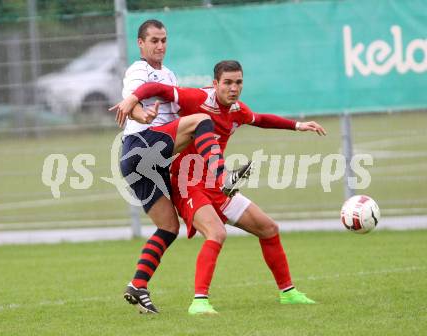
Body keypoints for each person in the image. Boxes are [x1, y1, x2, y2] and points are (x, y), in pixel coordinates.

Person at [114, 60, 327, 315]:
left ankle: (288, 292)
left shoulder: (237, 110)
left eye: (238, 82)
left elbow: (260, 119)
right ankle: (199, 302)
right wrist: (133, 98)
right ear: (215, 84)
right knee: (216, 233)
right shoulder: (197, 99)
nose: (233, 88)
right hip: (188, 185)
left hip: (214, 186)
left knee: (268, 228)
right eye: (227, 82)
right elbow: (155, 87)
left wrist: (297, 125)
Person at [113, 21, 251, 314]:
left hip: (147, 163)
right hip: (141, 144)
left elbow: (178, 108)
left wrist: (209, 98)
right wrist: (142, 113)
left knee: (169, 227)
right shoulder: (138, 70)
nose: (160, 45)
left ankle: (138, 284)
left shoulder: (169, 75)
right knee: (202, 122)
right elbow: (132, 101)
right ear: (140, 43)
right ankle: (221, 176)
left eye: (164, 40)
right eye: (153, 40)